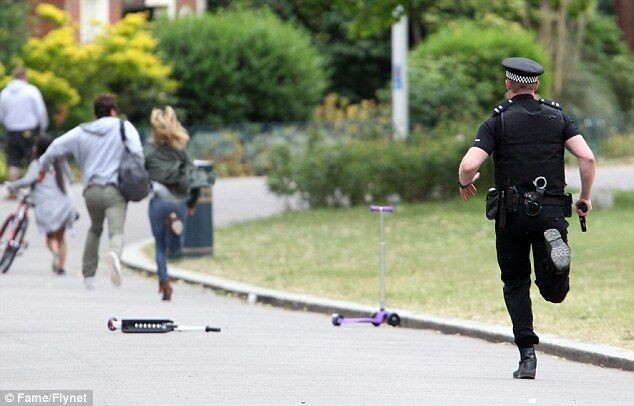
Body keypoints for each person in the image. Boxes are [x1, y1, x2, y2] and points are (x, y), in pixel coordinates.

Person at [457, 57, 596, 379]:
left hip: (512, 214)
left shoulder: (498, 121)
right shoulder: (558, 116)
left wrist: (466, 183)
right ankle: (557, 272)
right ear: (535, 85)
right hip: (551, 211)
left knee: (516, 282)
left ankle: (527, 357)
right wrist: (585, 198)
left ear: (508, 85)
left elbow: (468, 165)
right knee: (553, 292)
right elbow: (587, 157)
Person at [38, 94, 143, 289]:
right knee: (116, 232)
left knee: (95, 229)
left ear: (96, 113)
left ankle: (88, 276)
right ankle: (114, 255)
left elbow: (53, 148)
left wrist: (43, 169)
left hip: (91, 191)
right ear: (113, 111)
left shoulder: (81, 131)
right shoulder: (123, 127)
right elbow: (137, 152)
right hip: (115, 190)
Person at [144, 106, 205, 300]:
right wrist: (193, 203)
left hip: (158, 201)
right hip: (179, 201)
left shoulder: (149, 152)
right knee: (176, 248)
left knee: (159, 246)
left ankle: (164, 282)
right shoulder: (182, 152)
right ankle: (174, 227)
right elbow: (195, 179)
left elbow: (138, 174)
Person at [6, 136, 77, 275]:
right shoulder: (61, 162)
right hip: (66, 202)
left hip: (48, 204)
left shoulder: (38, 163)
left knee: (51, 237)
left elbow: (28, 180)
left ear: (38, 148)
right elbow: (72, 179)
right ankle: (61, 267)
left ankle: (55, 252)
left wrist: (12, 186)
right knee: (61, 237)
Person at [0, 67, 49, 196]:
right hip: (29, 130)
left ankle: (12, 191)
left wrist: (7, 124)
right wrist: (42, 128)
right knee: (33, 159)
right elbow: (41, 112)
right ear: (25, 76)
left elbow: (1, 114)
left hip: (11, 131)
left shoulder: (5, 92)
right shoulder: (31, 91)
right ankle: (34, 189)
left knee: (13, 160)